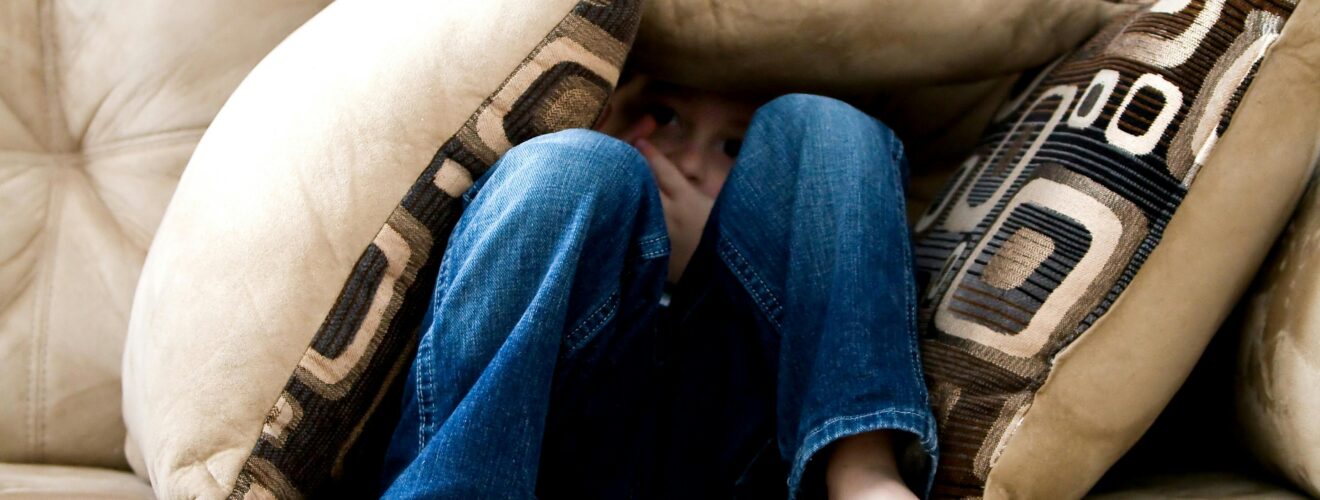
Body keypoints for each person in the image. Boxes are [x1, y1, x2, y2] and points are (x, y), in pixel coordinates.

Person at [379, 73, 937, 499]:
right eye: (664, 117)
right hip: (544, 446)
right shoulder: (599, 175)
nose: (689, 161)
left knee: (828, 125)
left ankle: (862, 465)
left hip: (729, 448)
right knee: (572, 166)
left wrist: (704, 254)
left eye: (734, 147)